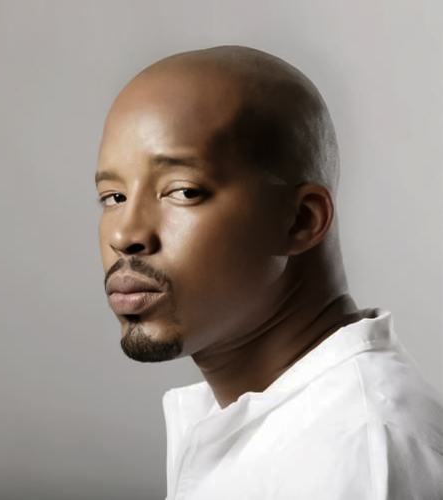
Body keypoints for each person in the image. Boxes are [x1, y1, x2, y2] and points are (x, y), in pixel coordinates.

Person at [95, 45, 442, 499]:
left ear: (301, 220)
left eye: (183, 191)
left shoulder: (355, 453)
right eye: (113, 197)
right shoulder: (266, 421)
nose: (125, 234)